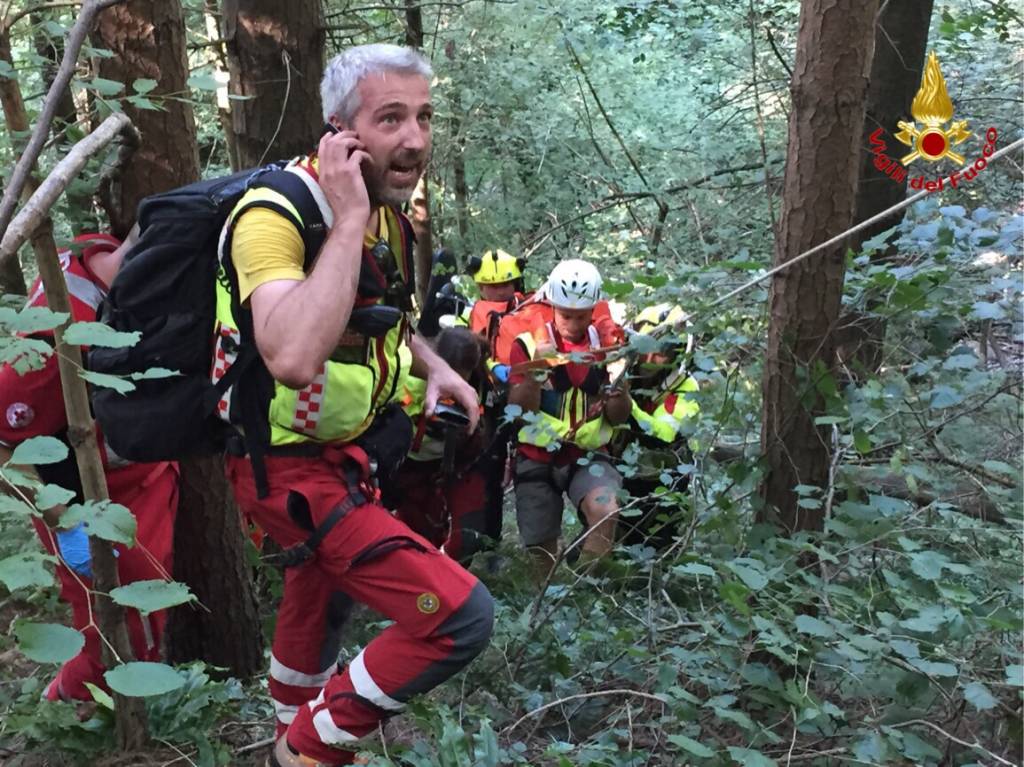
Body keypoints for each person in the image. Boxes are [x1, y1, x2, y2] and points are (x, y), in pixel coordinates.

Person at [213, 44, 493, 767]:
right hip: (285, 469)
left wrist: (436, 369)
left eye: (424, 117)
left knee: (323, 598)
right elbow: (293, 355)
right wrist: (344, 219)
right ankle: (298, 752)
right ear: (340, 131)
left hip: (349, 454)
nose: (415, 139)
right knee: (460, 618)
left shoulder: (387, 216)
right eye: (391, 118)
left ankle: (288, 727)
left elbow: (384, 316)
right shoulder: (276, 212)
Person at [0, 233, 178, 703]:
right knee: (118, 637)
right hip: (95, 505)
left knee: (148, 623)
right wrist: (65, 525)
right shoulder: (45, 351)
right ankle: (66, 711)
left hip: (146, 482)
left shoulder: (102, 256)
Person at [507, 259, 631, 581]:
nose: (573, 324)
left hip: (589, 455)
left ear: (594, 310)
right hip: (537, 456)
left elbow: (618, 417)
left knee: (606, 513)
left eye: (581, 315)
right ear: (552, 307)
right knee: (540, 549)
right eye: (566, 315)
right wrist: (535, 375)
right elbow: (520, 414)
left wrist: (619, 387)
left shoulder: (608, 345)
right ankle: (545, 606)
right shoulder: (526, 344)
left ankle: (583, 594)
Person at [392, 327, 494, 562]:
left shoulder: (482, 383)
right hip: (412, 468)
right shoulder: (408, 377)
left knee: (467, 537)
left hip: (462, 466)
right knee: (418, 535)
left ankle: (457, 581)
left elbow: (491, 424)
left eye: (461, 376)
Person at [613, 304, 700, 550]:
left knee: (655, 543)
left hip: (663, 477)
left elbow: (664, 433)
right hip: (618, 470)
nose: (649, 360)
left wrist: (628, 405)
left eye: (660, 352)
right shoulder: (622, 374)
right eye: (644, 350)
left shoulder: (686, 388)